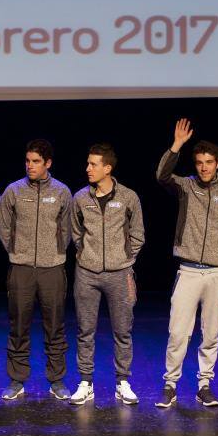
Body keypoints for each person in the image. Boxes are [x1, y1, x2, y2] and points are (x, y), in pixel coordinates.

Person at [154, 119, 218, 408]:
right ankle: (170, 384)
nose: (204, 167)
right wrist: (177, 146)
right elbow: (162, 175)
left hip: (217, 273)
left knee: (211, 334)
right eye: (200, 162)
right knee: (178, 332)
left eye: (209, 162)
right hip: (189, 271)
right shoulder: (186, 186)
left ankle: (204, 384)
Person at [69, 143, 145, 405]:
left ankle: (122, 381)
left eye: (93, 164)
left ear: (107, 168)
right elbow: (76, 234)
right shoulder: (80, 197)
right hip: (87, 274)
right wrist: (85, 256)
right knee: (85, 330)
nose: (87, 168)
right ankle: (85, 382)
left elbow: (137, 234)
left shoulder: (128, 197)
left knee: (123, 330)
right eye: (88, 163)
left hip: (119, 274)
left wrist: (124, 259)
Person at [0, 139, 73, 401]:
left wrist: (56, 253)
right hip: (21, 269)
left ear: (47, 163)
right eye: (28, 161)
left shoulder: (62, 191)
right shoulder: (14, 190)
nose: (30, 166)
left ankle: (57, 380)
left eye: (36, 161)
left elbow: (67, 228)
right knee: (18, 324)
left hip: (52, 268)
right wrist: (17, 252)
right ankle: (17, 379)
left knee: (55, 326)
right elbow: (4, 228)